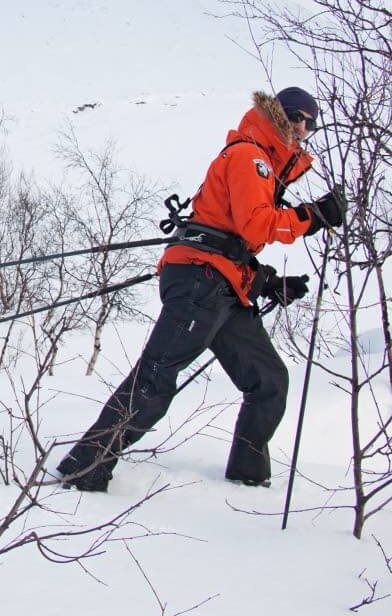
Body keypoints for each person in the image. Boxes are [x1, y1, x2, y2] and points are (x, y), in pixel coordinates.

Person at [57, 87, 344, 491]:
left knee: (269, 381)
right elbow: (255, 226)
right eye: (297, 117)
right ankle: (84, 468)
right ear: (278, 114)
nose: (302, 128)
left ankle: (247, 479)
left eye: (310, 124)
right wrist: (311, 217)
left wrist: (266, 283)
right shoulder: (250, 156)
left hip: (221, 285)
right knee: (156, 378)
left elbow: (232, 239)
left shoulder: (263, 163)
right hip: (200, 281)